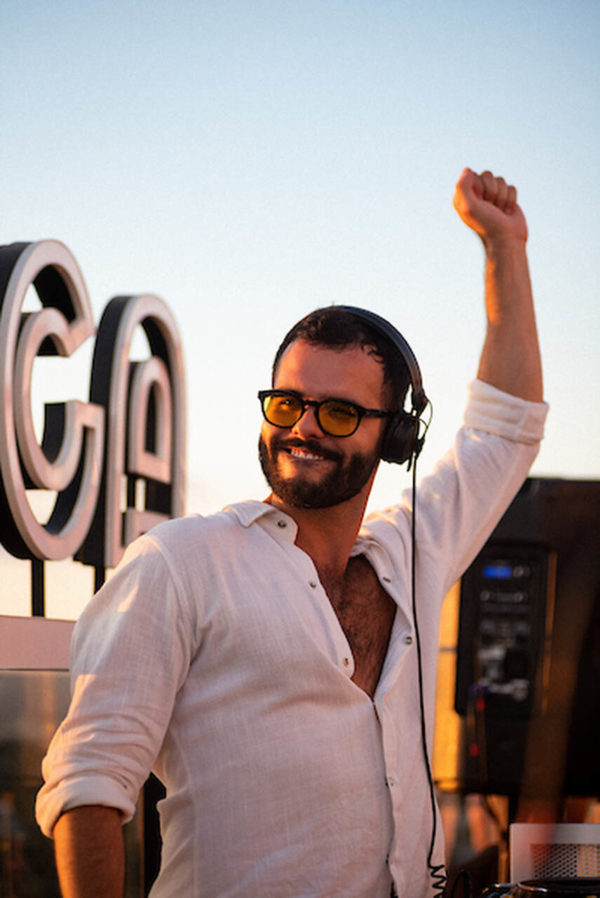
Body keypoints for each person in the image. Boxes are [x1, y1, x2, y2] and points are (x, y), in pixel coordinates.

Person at [36, 168, 547, 898]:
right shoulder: (180, 563)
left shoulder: (410, 553)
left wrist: (506, 250)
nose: (302, 428)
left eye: (337, 412)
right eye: (287, 403)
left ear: (396, 437)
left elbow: (506, 431)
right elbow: (88, 782)